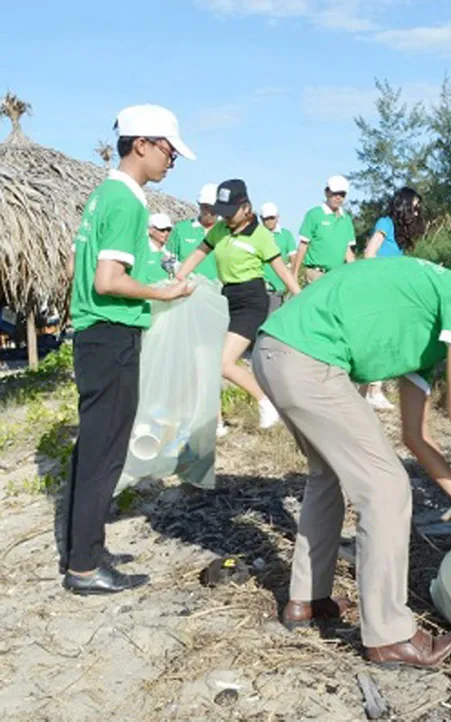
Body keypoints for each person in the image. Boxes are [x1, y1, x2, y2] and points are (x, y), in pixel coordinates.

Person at [252, 257, 451, 668]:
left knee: (327, 475)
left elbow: (416, 436)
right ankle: (389, 636)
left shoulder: (431, 338)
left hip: (277, 349)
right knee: (387, 489)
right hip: (307, 356)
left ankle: (308, 600)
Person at [62, 104, 195, 595]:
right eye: (168, 151)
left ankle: (85, 549)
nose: (171, 161)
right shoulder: (127, 201)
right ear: (141, 144)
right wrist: (165, 292)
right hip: (111, 333)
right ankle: (83, 568)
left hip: (95, 335)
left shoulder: (104, 195)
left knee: (92, 448)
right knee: (104, 453)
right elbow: (108, 279)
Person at [176, 179, 301, 430]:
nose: (225, 218)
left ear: (246, 207)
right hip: (226, 298)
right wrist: (179, 276)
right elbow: (199, 253)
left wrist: (299, 295)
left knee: (224, 362)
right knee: (209, 360)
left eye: (229, 212)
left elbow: (282, 269)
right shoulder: (219, 230)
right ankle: (215, 422)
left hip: (251, 300)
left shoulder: (261, 235)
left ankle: (266, 402)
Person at [360, 187, 427, 410]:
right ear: (404, 205)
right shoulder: (385, 224)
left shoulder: (400, 233)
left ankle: (367, 392)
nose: (416, 213)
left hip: (392, 289)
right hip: (378, 288)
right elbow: (369, 254)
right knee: (382, 336)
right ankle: (374, 390)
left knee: (386, 336)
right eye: (414, 208)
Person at [291, 175, 356, 283]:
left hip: (337, 275)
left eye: (342, 194)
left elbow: (348, 251)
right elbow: (303, 245)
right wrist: (294, 273)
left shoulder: (346, 219)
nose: (338, 197)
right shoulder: (314, 215)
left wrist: (354, 275)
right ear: (327, 193)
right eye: (335, 193)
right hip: (316, 273)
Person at [168, 184, 219, 280]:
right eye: (205, 207)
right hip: (188, 288)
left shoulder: (226, 231)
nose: (209, 212)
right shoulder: (181, 230)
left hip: (218, 289)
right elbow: (169, 260)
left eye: (213, 208)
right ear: (199, 205)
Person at [260, 202, 298, 314]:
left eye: (272, 218)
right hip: (261, 286)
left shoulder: (286, 235)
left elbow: (293, 258)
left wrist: (291, 278)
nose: (269, 221)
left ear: (277, 217)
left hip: (279, 288)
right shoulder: (257, 235)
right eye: (266, 219)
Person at [135, 213, 177, 285]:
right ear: (151, 230)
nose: (166, 233)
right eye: (162, 229)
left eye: (168, 229)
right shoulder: (141, 251)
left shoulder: (169, 251)